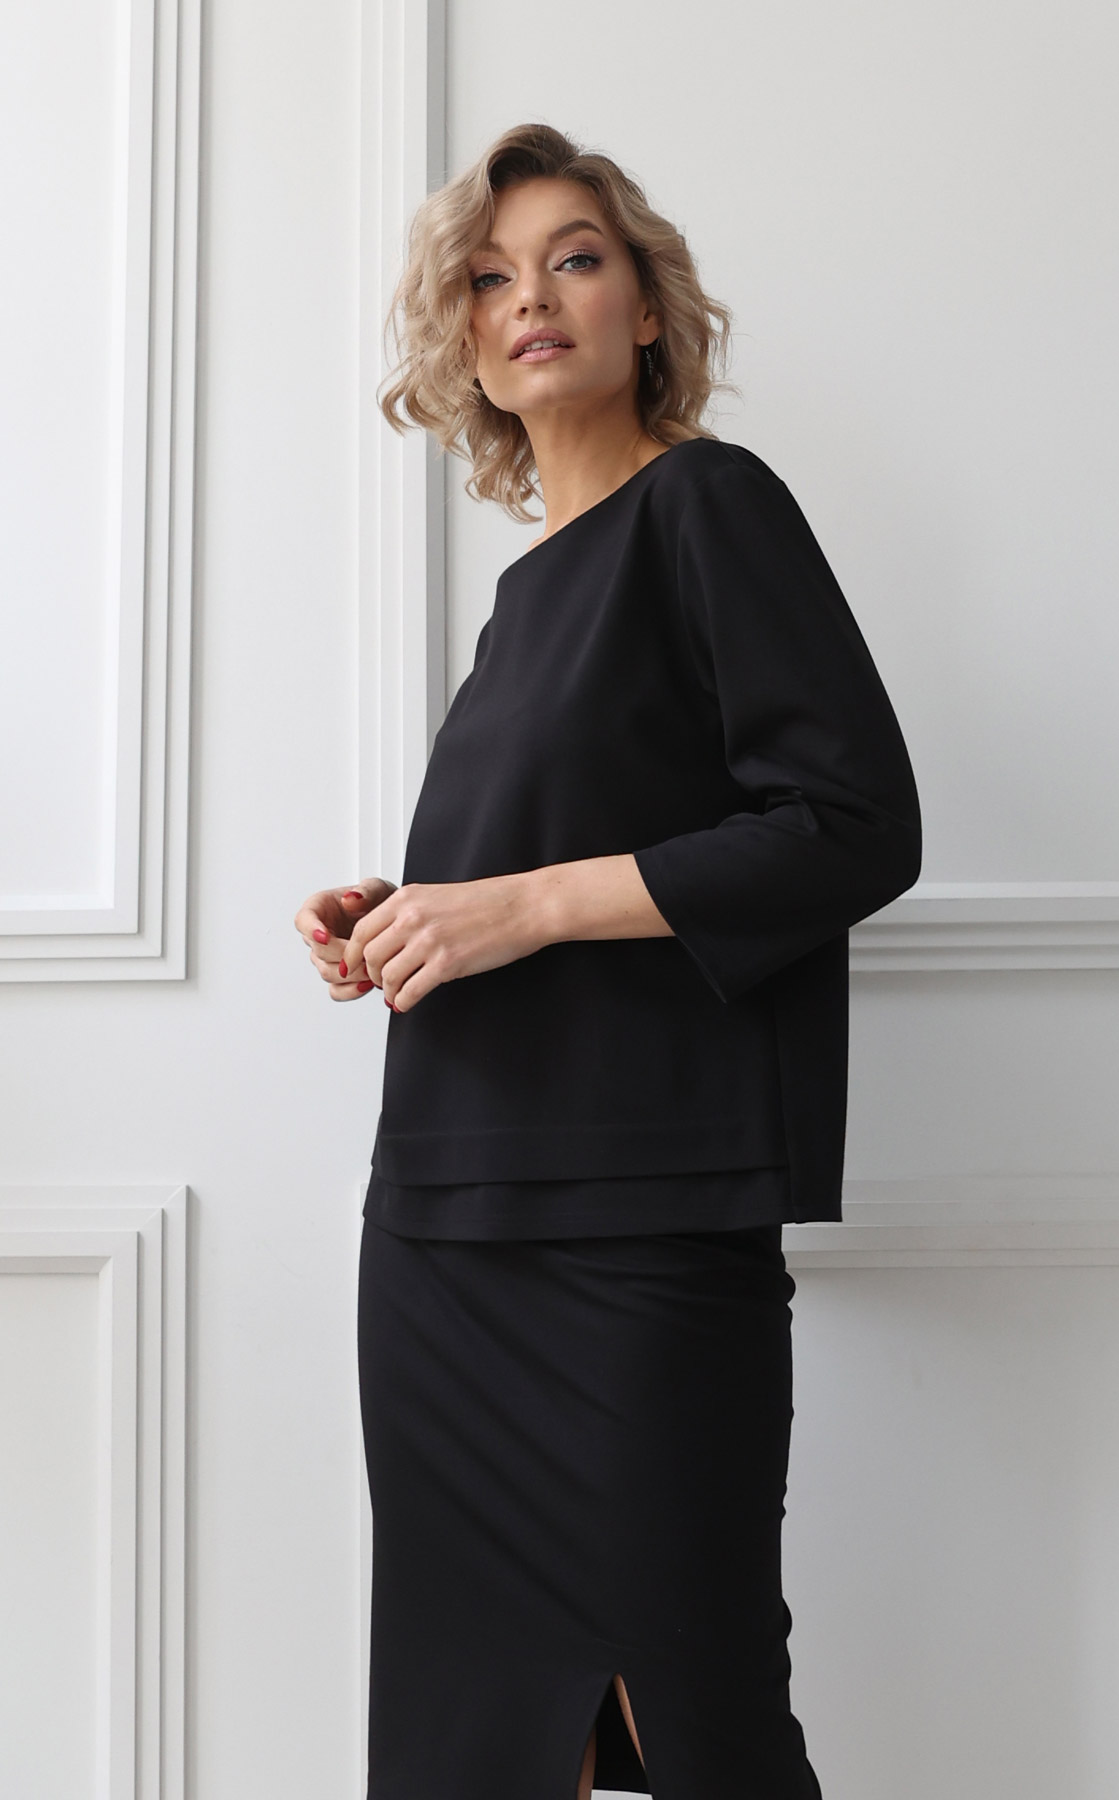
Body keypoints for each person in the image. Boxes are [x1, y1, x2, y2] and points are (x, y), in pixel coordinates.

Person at [294, 121, 921, 1800]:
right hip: (445, 1232)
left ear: (648, 309)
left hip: (641, 1232)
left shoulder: (711, 504)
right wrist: (409, 915)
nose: (531, 297)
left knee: (700, 1717)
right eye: (489, 277)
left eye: (574, 258)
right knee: (472, 1744)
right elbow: (584, 855)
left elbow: (854, 825)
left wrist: (517, 906)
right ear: (463, 338)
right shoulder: (522, 603)